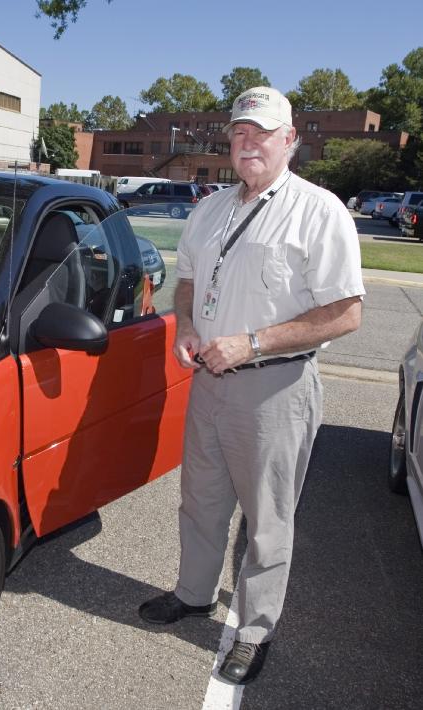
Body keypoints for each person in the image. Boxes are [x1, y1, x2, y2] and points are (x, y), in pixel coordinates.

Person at [137, 87, 364, 685]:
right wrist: (186, 324)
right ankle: (192, 595)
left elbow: (345, 312)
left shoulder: (320, 212)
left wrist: (253, 343)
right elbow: (186, 276)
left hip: (275, 388)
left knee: (267, 520)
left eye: (262, 132)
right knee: (201, 501)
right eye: (240, 132)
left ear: (290, 140)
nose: (249, 142)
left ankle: (256, 629)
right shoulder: (211, 208)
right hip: (209, 383)